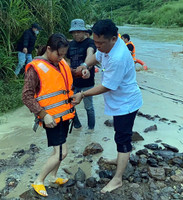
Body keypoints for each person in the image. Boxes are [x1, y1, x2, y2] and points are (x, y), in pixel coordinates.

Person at [71, 19, 143, 193]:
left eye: (100, 43)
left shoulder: (118, 56)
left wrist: (82, 94)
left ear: (113, 39)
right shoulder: (106, 47)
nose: (97, 46)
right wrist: (85, 65)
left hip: (126, 103)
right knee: (119, 134)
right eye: (95, 42)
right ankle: (119, 159)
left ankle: (117, 179)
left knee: (122, 138)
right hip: (118, 101)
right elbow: (96, 56)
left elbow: (107, 86)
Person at [22, 33, 79, 197]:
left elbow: (67, 74)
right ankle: (39, 181)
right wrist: (42, 114)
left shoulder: (59, 62)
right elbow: (26, 96)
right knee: (62, 153)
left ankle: (53, 177)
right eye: (58, 54)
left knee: (58, 151)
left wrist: (79, 72)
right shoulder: (35, 68)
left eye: (63, 55)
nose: (61, 58)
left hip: (64, 116)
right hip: (51, 118)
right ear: (48, 49)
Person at [66, 19, 96, 132]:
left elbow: (90, 54)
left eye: (78, 31)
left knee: (88, 107)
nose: (76, 34)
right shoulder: (71, 44)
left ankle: (91, 129)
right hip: (73, 81)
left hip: (87, 80)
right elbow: (68, 60)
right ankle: (77, 126)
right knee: (70, 105)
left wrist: (85, 66)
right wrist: (69, 69)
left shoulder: (90, 43)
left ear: (84, 32)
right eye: (74, 32)